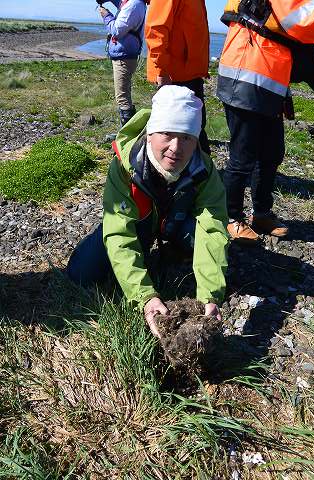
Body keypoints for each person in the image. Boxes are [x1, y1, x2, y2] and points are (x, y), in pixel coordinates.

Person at [67, 86, 229, 337]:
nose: (176, 147)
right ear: (150, 133)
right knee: (81, 273)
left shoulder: (204, 171)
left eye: (187, 137)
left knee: (202, 239)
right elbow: (120, 234)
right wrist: (145, 297)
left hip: (176, 224)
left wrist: (210, 295)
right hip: (136, 226)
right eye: (167, 133)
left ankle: (175, 251)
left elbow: (213, 228)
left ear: (196, 140)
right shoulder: (124, 167)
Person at [217, 0, 314, 244]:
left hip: (269, 78)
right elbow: (303, 21)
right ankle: (230, 217)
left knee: (272, 153)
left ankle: (261, 214)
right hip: (246, 76)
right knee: (242, 158)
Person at [144, 0, 211, 155]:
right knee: (181, 131)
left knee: (195, 127)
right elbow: (156, 29)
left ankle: (199, 174)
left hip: (189, 74)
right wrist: (162, 70)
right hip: (175, 76)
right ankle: (197, 175)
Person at [99, 0, 147, 128]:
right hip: (125, 55)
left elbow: (116, 30)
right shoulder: (134, 3)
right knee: (124, 95)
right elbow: (122, 4)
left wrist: (106, 16)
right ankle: (128, 131)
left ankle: (127, 135)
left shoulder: (134, 4)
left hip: (124, 56)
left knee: (122, 97)